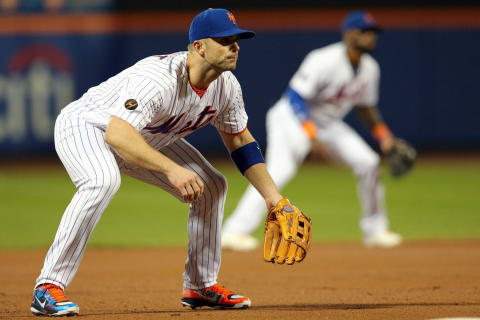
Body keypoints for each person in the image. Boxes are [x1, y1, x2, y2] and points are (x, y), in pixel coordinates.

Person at [30, 8, 290, 316]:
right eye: (224, 40)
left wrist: (275, 200)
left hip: (142, 137)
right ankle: (47, 287)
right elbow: (117, 133)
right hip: (89, 127)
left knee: (212, 187)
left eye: (236, 39)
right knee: (102, 181)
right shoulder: (158, 79)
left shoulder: (227, 87)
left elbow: (241, 141)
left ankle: (200, 286)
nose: (234, 46)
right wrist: (171, 169)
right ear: (199, 47)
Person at [222, 10, 403, 251]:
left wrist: (385, 137)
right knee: (279, 170)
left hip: (327, 124)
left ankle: (375, 230)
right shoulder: (324, 59)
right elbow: (296, 97)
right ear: (349, 34)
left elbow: (366, 108)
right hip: (291, 119)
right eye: (364, 32)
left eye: (373, 33)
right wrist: (311, 134)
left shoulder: (371, 69)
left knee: (368, 162)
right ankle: (234, 231)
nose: (370, 37)